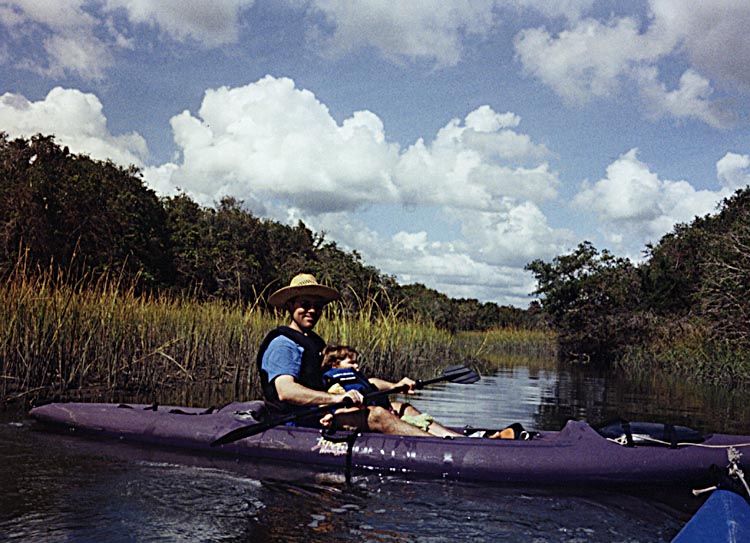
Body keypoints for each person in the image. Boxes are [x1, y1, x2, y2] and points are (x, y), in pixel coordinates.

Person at [256, 273, 446, 437]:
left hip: (321, 412)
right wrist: (336, 399)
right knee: (378, 415)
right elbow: (286, 391)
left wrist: (395, 386)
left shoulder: (314, 344)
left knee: (402, 408)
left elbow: (357, 382)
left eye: (318, 305)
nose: (312, 310)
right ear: (290, 306)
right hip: (296, 421)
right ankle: (440, 450)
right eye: (305, 304)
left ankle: (456, 441)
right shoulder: (283, 345)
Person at [320, 344, 462, 438]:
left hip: (364, 412)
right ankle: (435, 444)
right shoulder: (335, 385)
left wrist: (396, 386)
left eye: (357, 362)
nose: (357, 366)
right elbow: (331, 408)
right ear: (335, 365)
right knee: (379, 412)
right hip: (344, 418)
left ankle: (455, 438)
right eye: (351, 363)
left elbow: (372, 383)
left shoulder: (357, 377)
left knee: (402, 407)